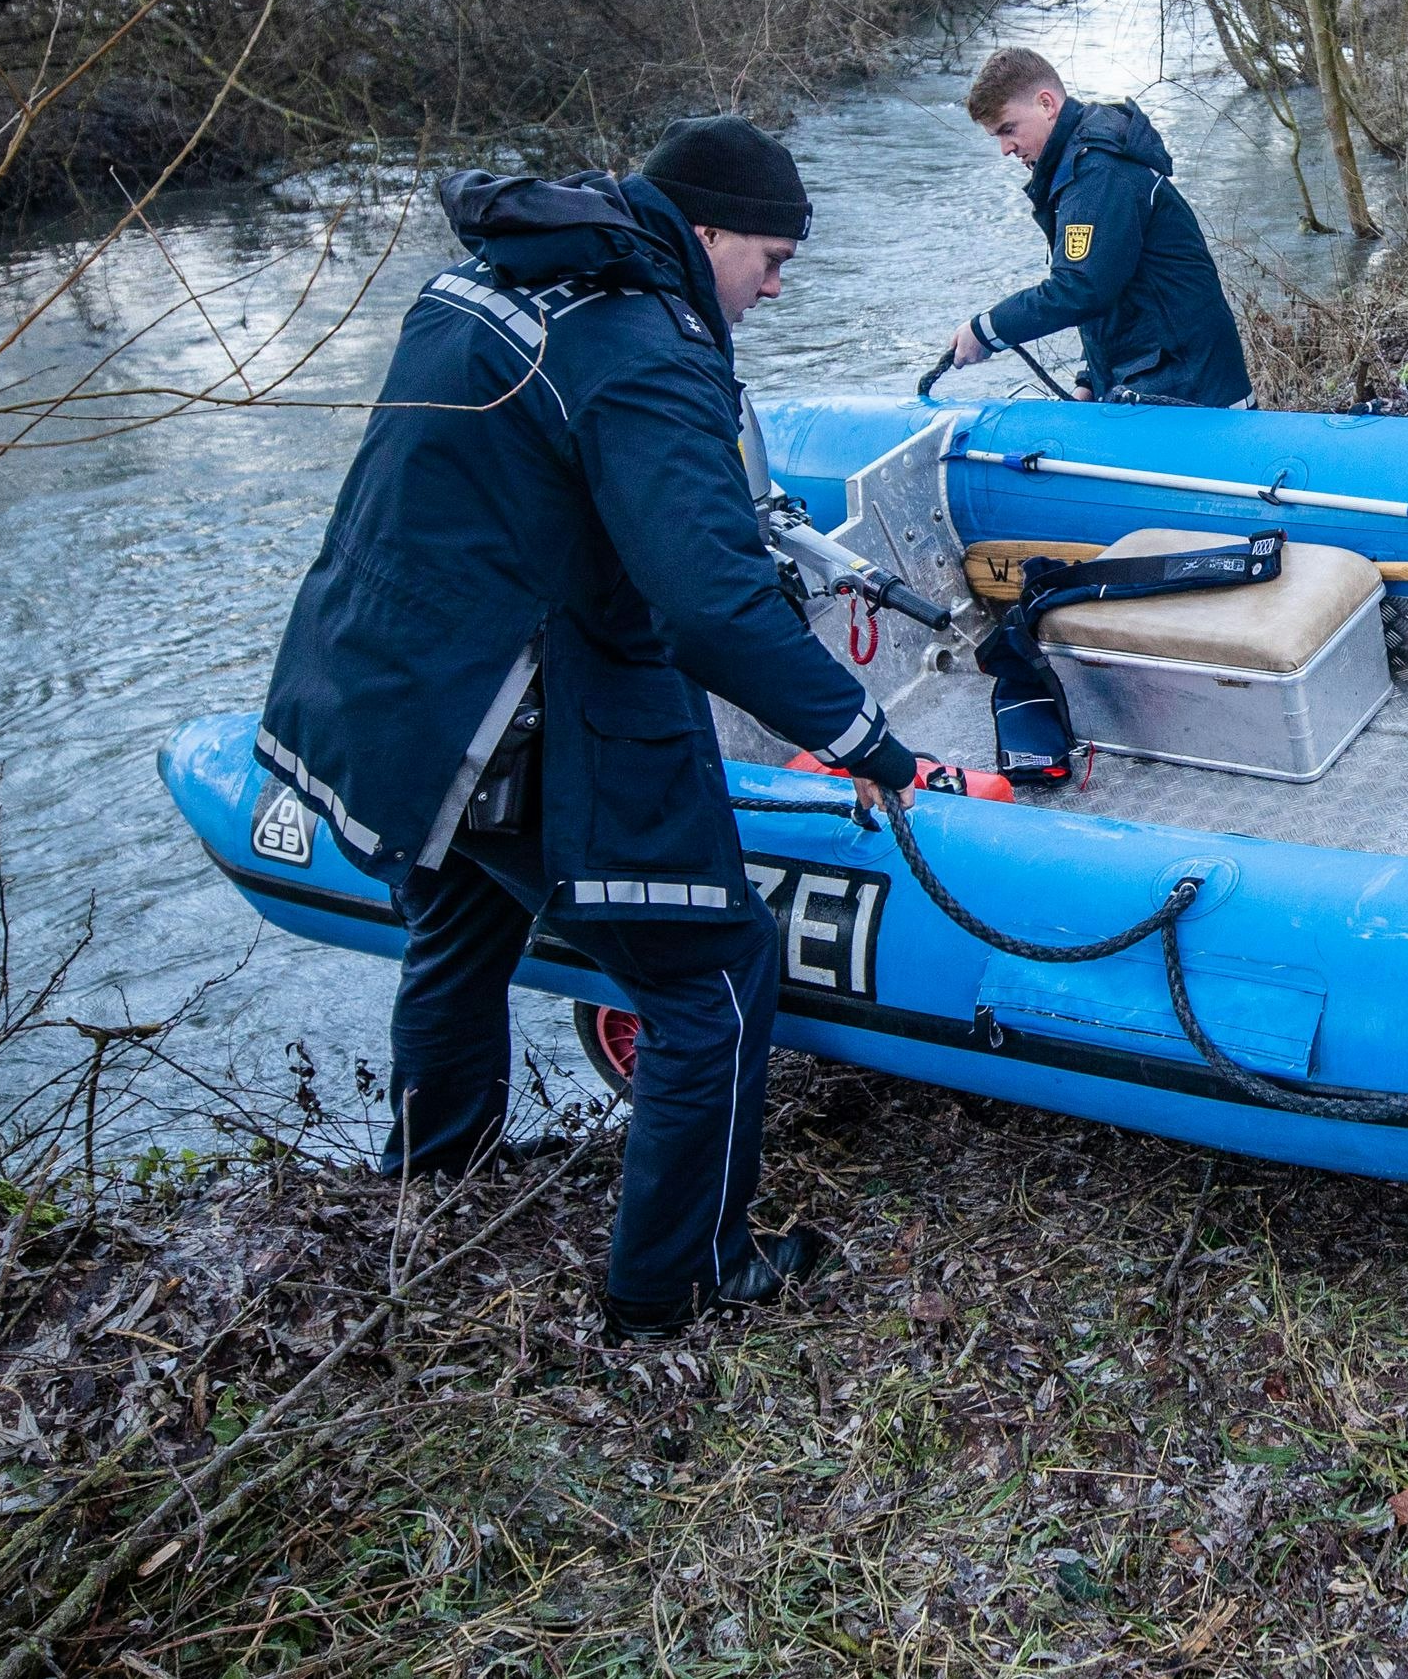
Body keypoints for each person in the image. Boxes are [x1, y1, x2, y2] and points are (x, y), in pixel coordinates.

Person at [260, 114, 920, 1343]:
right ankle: (675, 1285)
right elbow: (710, 604)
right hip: (498, 710)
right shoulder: (642, 340)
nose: (774, 290)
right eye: (769, 262)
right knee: (715, 978)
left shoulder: (493, 274)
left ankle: (432, 1177)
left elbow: (514, 491)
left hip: (376, 673)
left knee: (458, 918)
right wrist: (864, 736)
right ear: (705, 229)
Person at [951, 47, 1252, 406]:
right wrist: (1090, 378)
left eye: (1008, 129)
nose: (1005, 148)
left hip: (1191, 394)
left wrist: (986, 331)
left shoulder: (1098, 172)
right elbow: (1116, 287)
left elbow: (1080, 288)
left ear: (1046, 105)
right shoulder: (1086, 161)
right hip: (1168, 381)